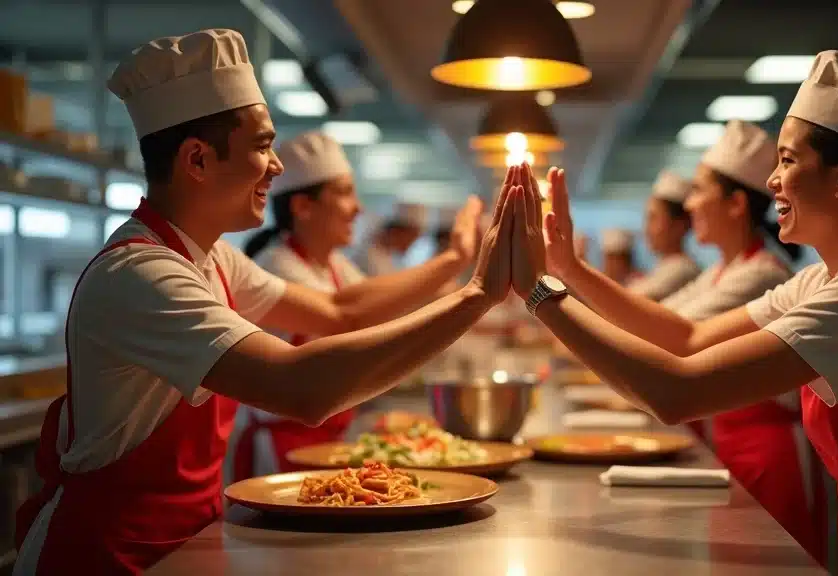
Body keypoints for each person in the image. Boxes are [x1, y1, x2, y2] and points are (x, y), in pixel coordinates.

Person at [14, 29, 517, 576]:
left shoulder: (212, 261)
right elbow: (301, 388)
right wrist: (475, 295)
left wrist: (457, 265)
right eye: (261, 145)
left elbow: (339, 311)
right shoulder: (142, 274)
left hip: (184, 546)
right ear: (199, 160)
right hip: (106, 558)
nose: (275, 167)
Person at [509, 50, 838, 575]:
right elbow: (686, 338)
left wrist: (540, 293)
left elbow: (679, 390)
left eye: (788, 161)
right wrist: (566, 269)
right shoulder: (821, 280)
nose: (772, 180)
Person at [538, 120, 823, 564]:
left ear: (736, 204)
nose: (689, 206)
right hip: (725, 441)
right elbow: (666, 327)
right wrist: (567, 271)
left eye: (699, 191)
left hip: (769, 455)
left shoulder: (764, 275)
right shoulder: (720, 272)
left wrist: (555, 283)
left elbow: (673, 340)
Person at [231, 131, 481, 481]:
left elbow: (381, 303)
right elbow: (346, 314)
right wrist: (456, 261)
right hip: (280, 446)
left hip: (326, 435)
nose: (358, 208)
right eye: (346, 193)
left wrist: (470, 285)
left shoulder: (333, 264)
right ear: (302, 206)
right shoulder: (276, 264)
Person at [626, 170, 700, 301]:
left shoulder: (682, 270)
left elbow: (628, 301)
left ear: (679, 225)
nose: (646, 229)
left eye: (653, 218)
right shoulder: (664, 266)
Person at [352, 202, 428, 276]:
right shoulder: (368, 257)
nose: (410, 245)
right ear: (397, 231)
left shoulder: (389, 257)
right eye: (410, 239)